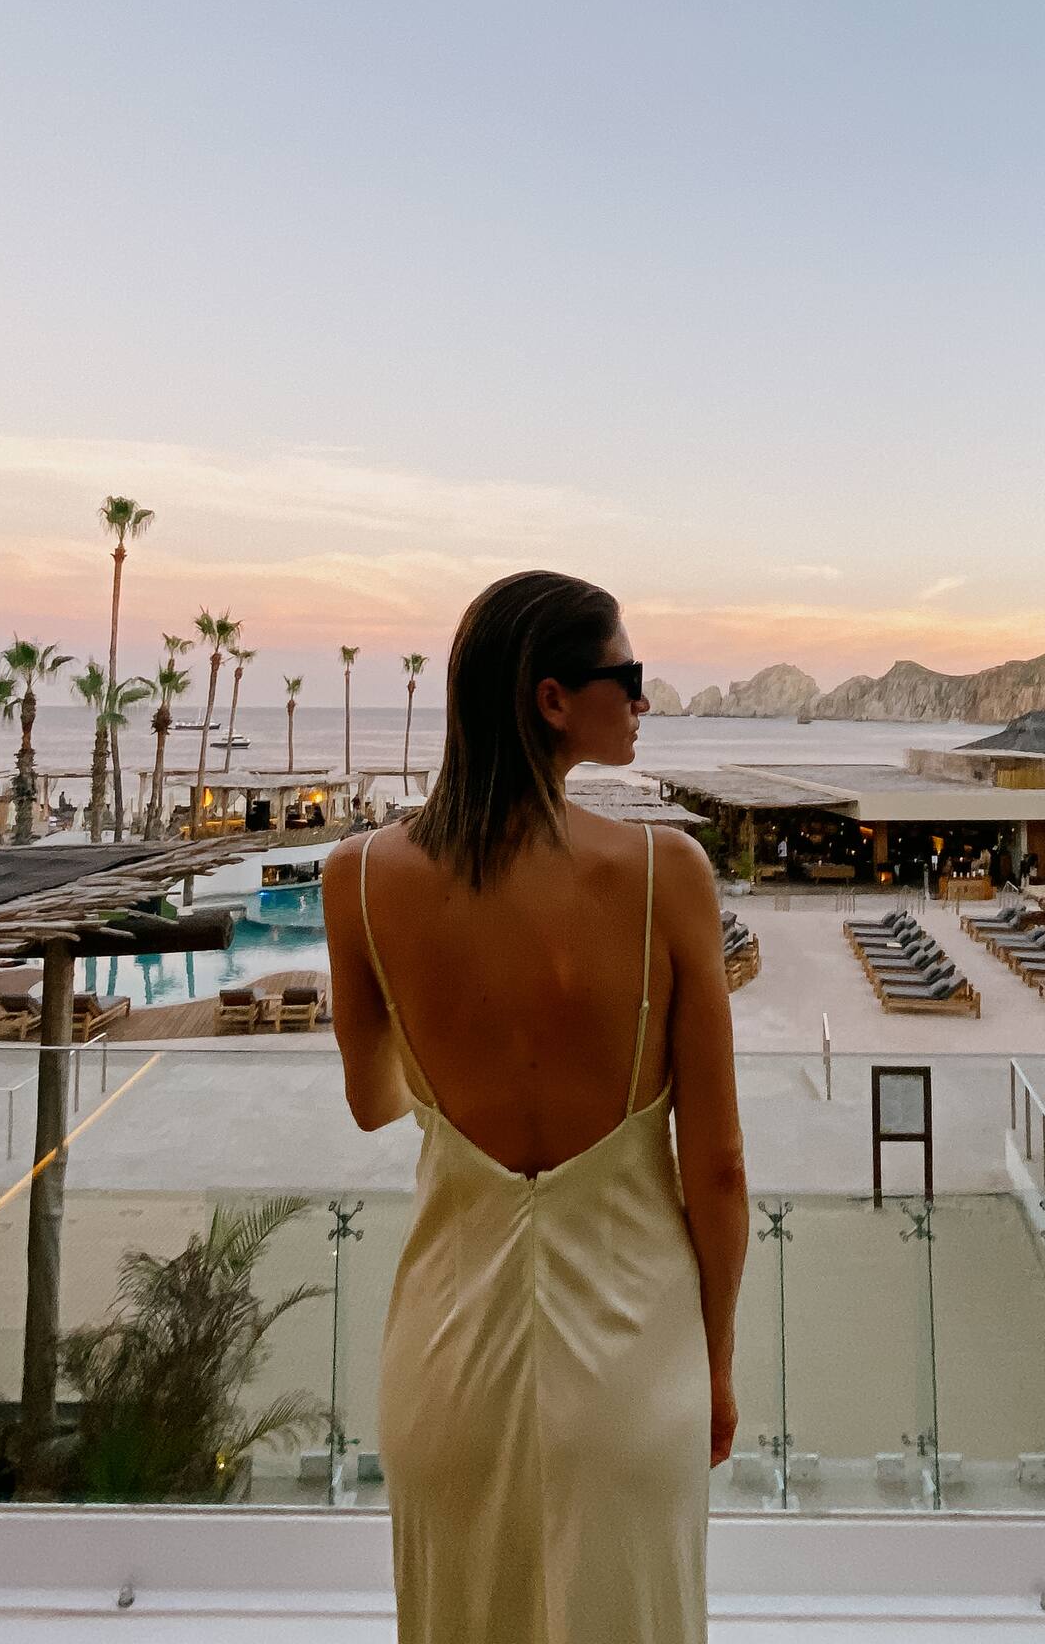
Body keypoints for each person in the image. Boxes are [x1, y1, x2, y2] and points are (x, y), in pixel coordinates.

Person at [325, 572, 747, 1644]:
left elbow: (374, 1102)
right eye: (630, 676)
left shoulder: (358, 876)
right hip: (634, 1362)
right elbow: (719, 1169)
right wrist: (718, 1361)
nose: (644, 699)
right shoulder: (666, 872)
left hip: (444, 1364)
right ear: (555, 698)